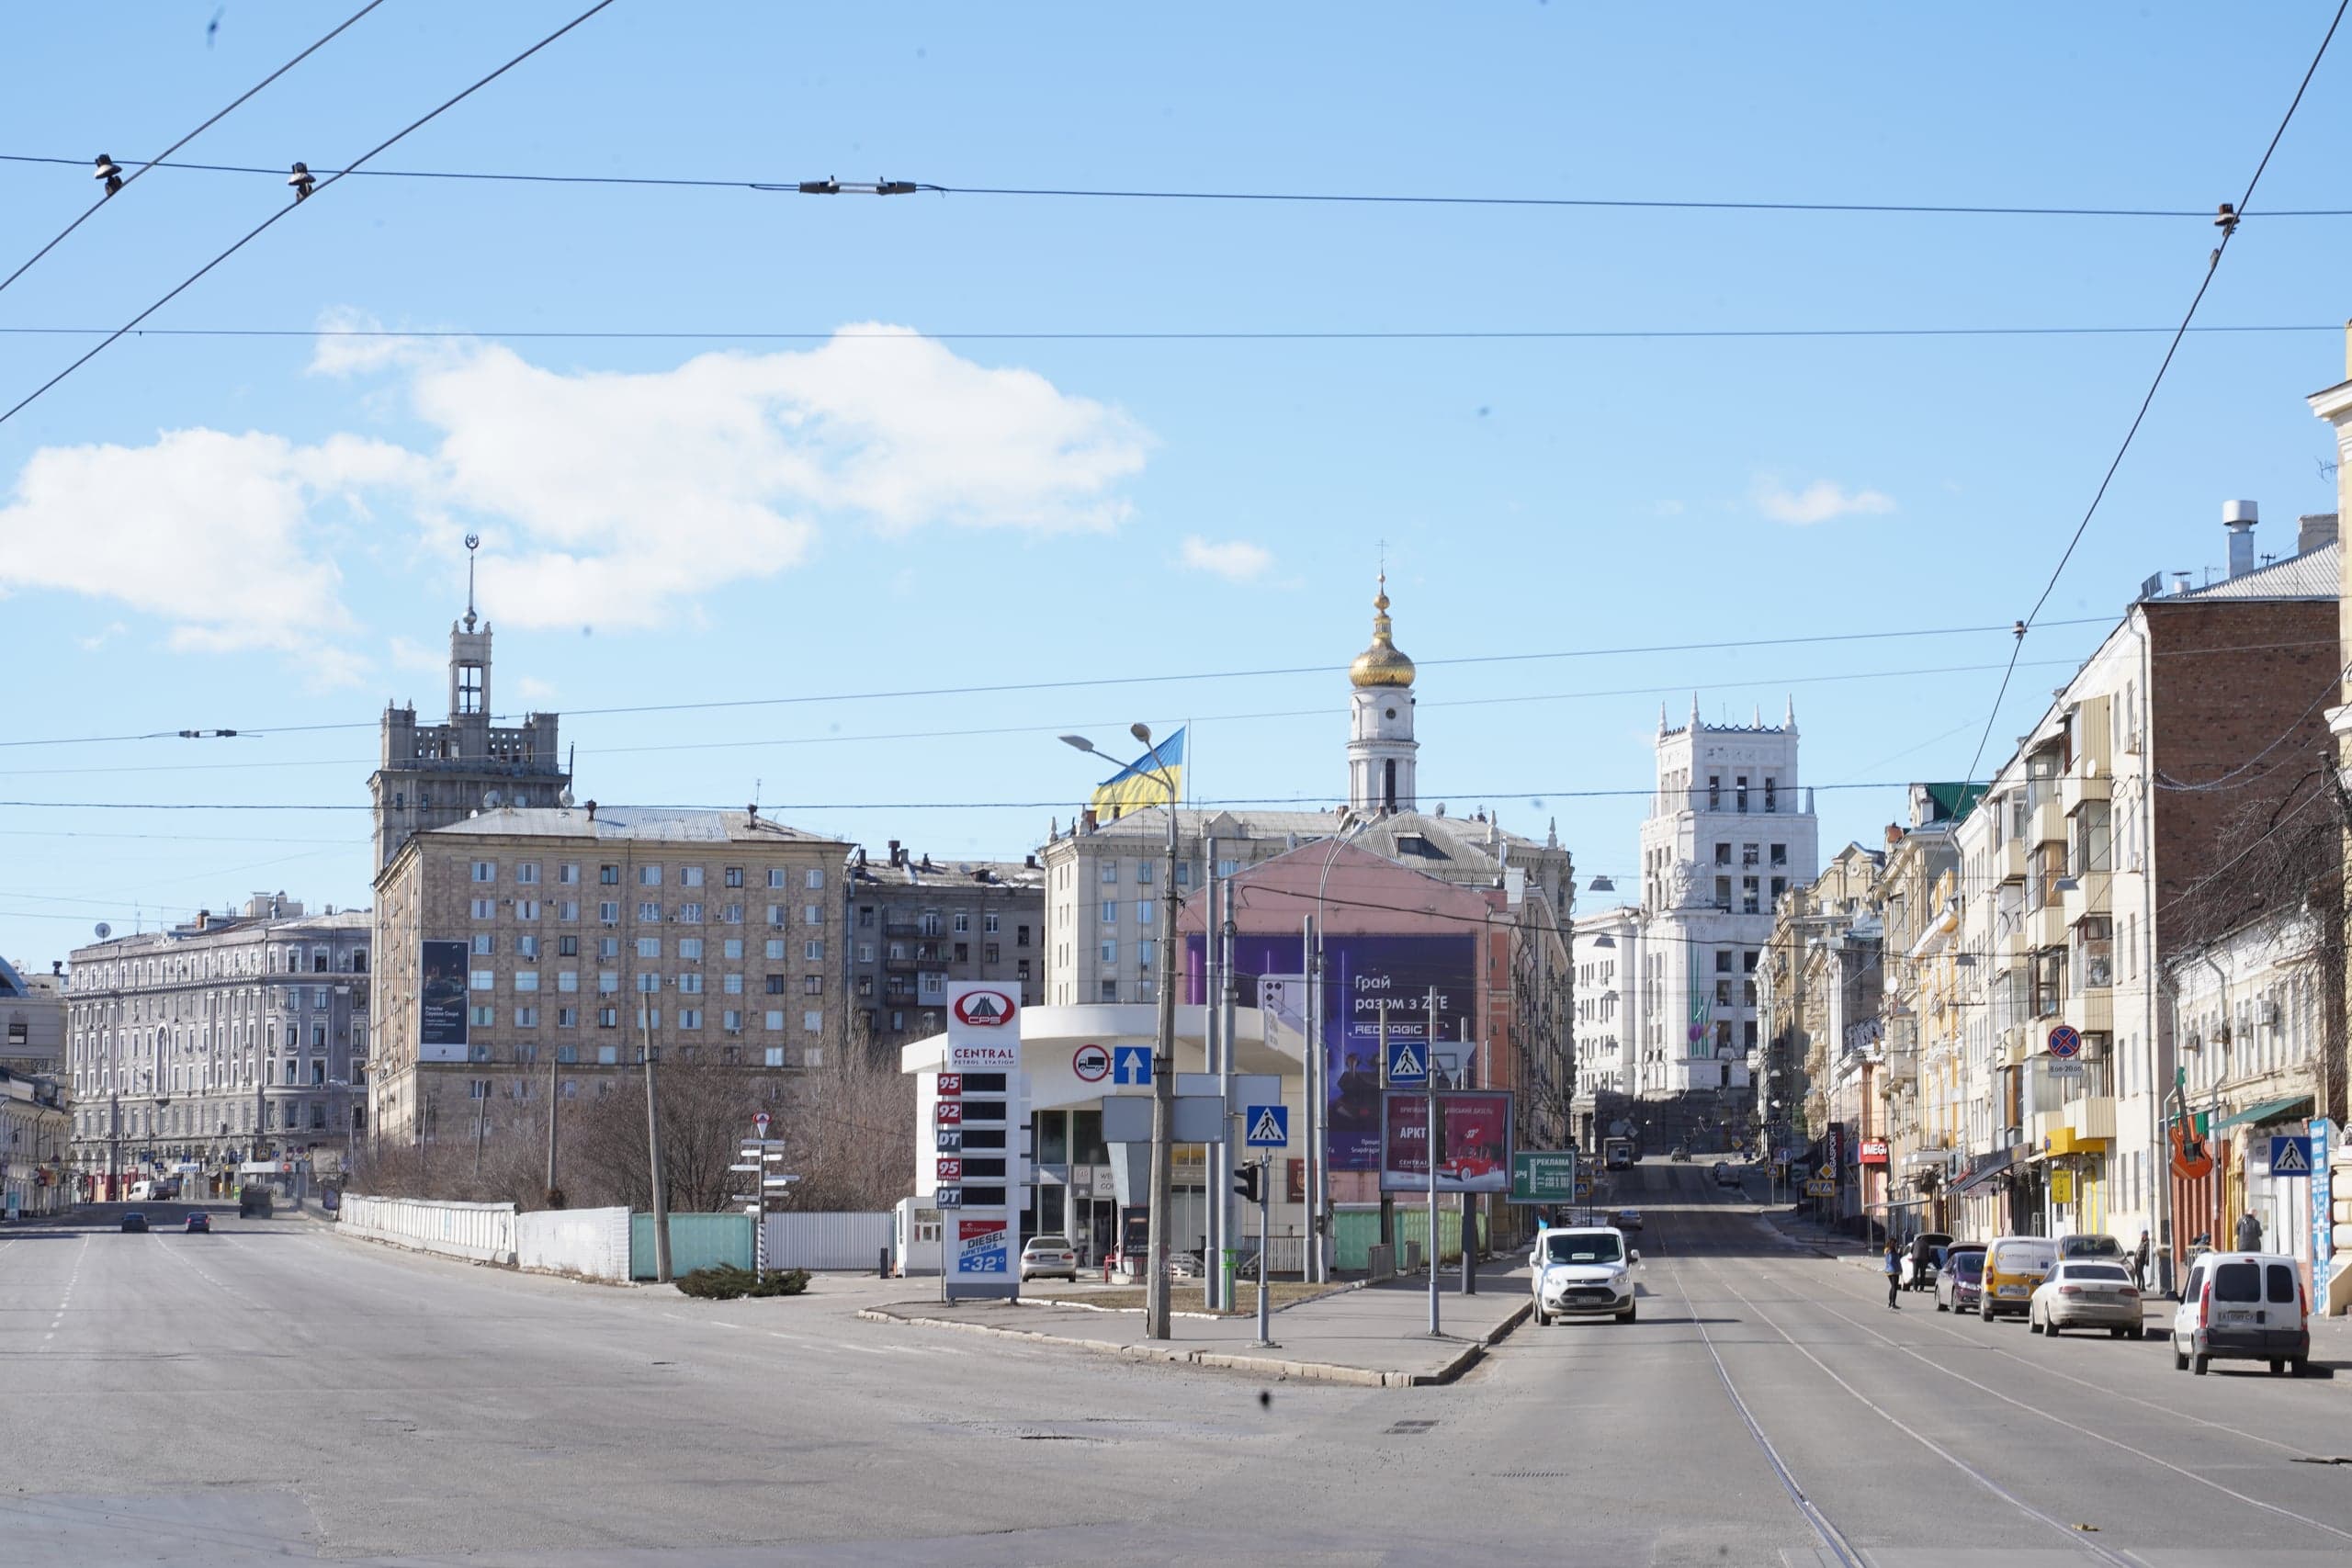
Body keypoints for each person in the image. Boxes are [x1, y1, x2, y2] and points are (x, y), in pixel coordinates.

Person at [1883, 1239, 1902, 1310]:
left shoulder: (1888, 1250)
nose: (1896, 1245)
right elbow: (1891, 1260)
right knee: (1895, 1287)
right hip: (1893, 1271)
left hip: (1889, 1270)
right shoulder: (1890, 1250)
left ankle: (1890, 1302)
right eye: (1895, 1243)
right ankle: (1893, 1303)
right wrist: (1896, 1253)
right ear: (1892, 1243)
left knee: (1893, 1287)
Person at [2131, 1228, 2150, 1292]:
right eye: (2142, 1235)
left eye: (2143, 1235)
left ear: (2146, 1235)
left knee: (2140, 1272)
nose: (2142, 1236)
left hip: (2141, 1260)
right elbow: (2139, 1249)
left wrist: (2147, 1260)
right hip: (2137, 1259)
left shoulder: (2147, 1242)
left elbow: (2147, 1251)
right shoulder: (2142, 1241)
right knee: (2137, 1272)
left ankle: (2142, 1286)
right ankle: (2138, 1286)